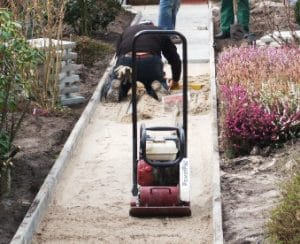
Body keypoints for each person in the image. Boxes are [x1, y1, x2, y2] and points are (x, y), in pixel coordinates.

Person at [105, 21, 181, 102]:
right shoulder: (158, 31)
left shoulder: (128, 30)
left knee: (123, 84)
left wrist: (117, 73)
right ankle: (157, 88)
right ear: (152, 25)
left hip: (127, 60)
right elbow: (174, 58)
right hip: (150, 61)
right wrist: (175, 79)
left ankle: (117, 88)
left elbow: (118, 54)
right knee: (153, 81)